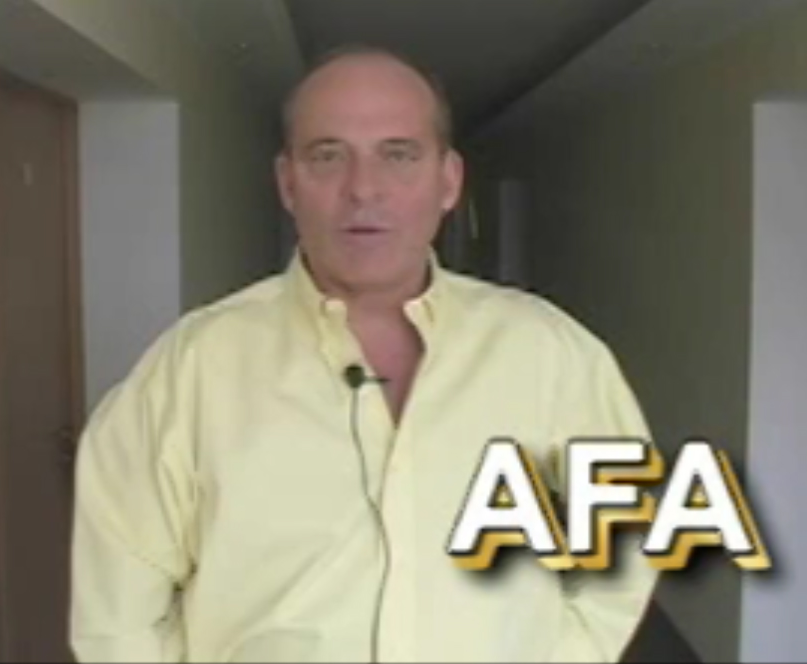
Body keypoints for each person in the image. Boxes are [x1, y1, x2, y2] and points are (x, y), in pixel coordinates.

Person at [69, 43, 659, 662]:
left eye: (398, 155)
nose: (363, 189)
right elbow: (118, 620)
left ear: (448, 180)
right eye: (328, 156)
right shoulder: (190, 370)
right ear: (287, 183)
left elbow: (626, 539)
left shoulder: (551, 352)